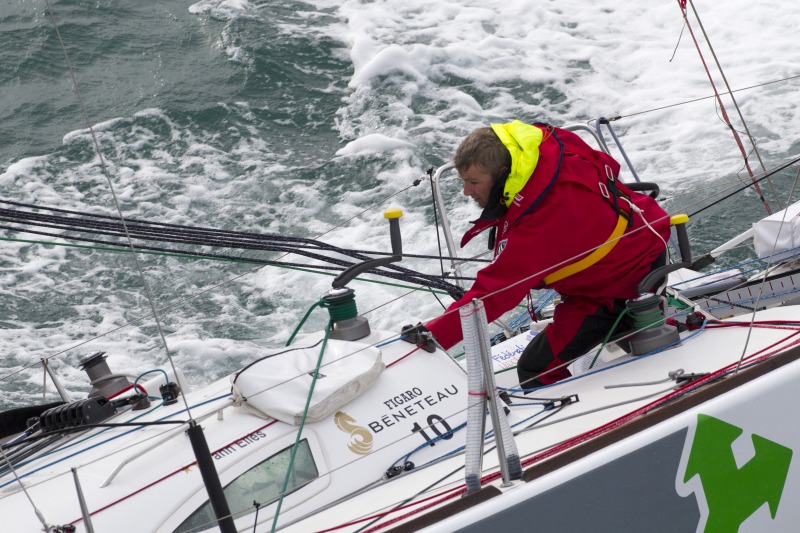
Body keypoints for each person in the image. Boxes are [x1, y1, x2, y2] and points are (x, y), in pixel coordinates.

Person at [423, 120, 671, 390]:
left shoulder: (545, 218)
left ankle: (584, 412)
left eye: (473, 182)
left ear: (503, 174)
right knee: (613, 336)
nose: (466, 191)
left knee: (535, 369)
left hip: (618, 285)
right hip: (637, 242)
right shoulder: (542, 154)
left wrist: (430, 338)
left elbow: (494, 294)